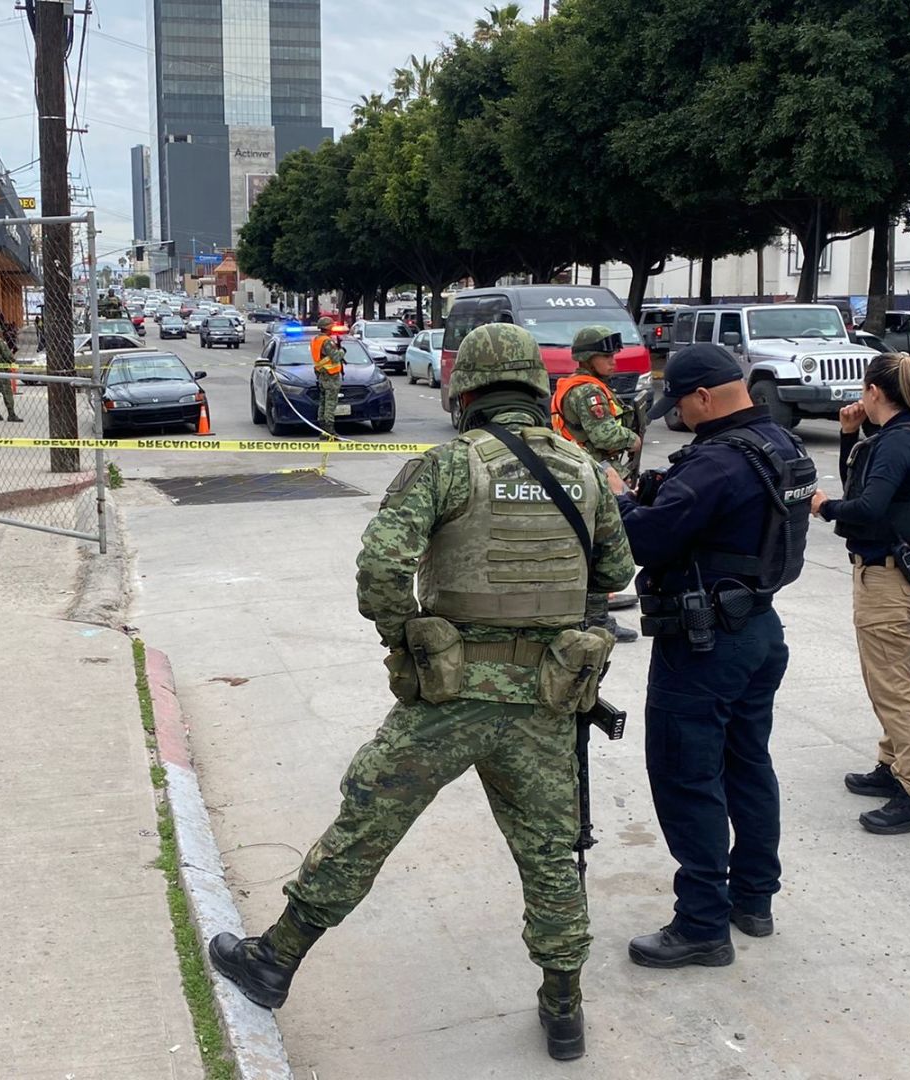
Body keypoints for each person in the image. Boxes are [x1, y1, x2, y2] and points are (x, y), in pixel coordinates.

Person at [208, 324, 634, 1060]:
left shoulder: (447, 464)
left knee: (367, 822)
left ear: (466, 391)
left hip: (451, 696)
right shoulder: (586, 471)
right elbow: (615, 574)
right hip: (542, 700)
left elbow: (381, 568)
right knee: (551, 854)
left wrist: (410, 639)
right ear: (536, 387)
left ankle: (274, 962)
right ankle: (563, 1010)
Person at [607, 343, 813, 968]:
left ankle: (701, 923)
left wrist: (619, 496)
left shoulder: (719, 463)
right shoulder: (781, 445)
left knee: (687, 775)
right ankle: (753, 899)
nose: (678, 417)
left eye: (681, 405)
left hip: (704, 644)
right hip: (758, 629)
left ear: (703, 396)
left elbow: (642, 539)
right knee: (747, 764)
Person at [811, 353, 910, 835]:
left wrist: (824, 507)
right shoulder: (904, 436)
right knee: (883, 679)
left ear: (873, 392)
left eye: (862, 392)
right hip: (886, 572)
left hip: (887, 577)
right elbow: (871, 492)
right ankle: (892, 766)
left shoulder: (899, 443)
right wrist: (849, 435)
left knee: (893, 688)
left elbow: (865, 507)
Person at [553, 325, 643, 644]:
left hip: (581, 472)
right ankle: (597, 621)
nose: (613, 361)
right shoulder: (589, 392)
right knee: (601, 549)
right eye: (606, 356)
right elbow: (604, 435)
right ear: (589, 358)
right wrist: (632, 440)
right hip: (596, 474)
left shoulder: (577, 385)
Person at [310, 315, 345, 438]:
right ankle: (329, 430)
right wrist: (342, 351)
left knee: (323, 402)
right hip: (330, 376)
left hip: (322, 375)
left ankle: (323, 429)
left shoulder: (316, 340)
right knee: (330, 403)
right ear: (328, 327)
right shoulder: (327, 341)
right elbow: (335, 357)